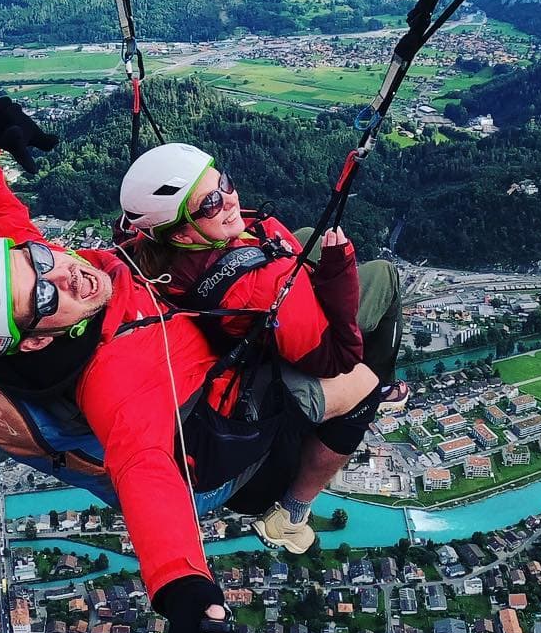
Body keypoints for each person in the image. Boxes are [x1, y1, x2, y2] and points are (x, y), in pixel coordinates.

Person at [0, 97, 373, 633]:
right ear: (36, 339)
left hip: (197, 352)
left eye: (40, 258)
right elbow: (147, 481)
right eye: (44, 295)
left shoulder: (43, 285)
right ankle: (289, 512)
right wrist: (184, 591)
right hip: (224, 445)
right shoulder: (116, 383)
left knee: (292, 251)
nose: (67, 274)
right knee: (365, 381)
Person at [119, 141, 408, 553]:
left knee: (306, 237)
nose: (230, 200)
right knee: (385, 279)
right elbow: (337, 357)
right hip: (256, 368)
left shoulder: (147, 251)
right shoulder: (263, 283)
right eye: (210, 204)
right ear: (182, 232)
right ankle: (293, 513)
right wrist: (340, 272)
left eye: (224, 182)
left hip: (228, 339)